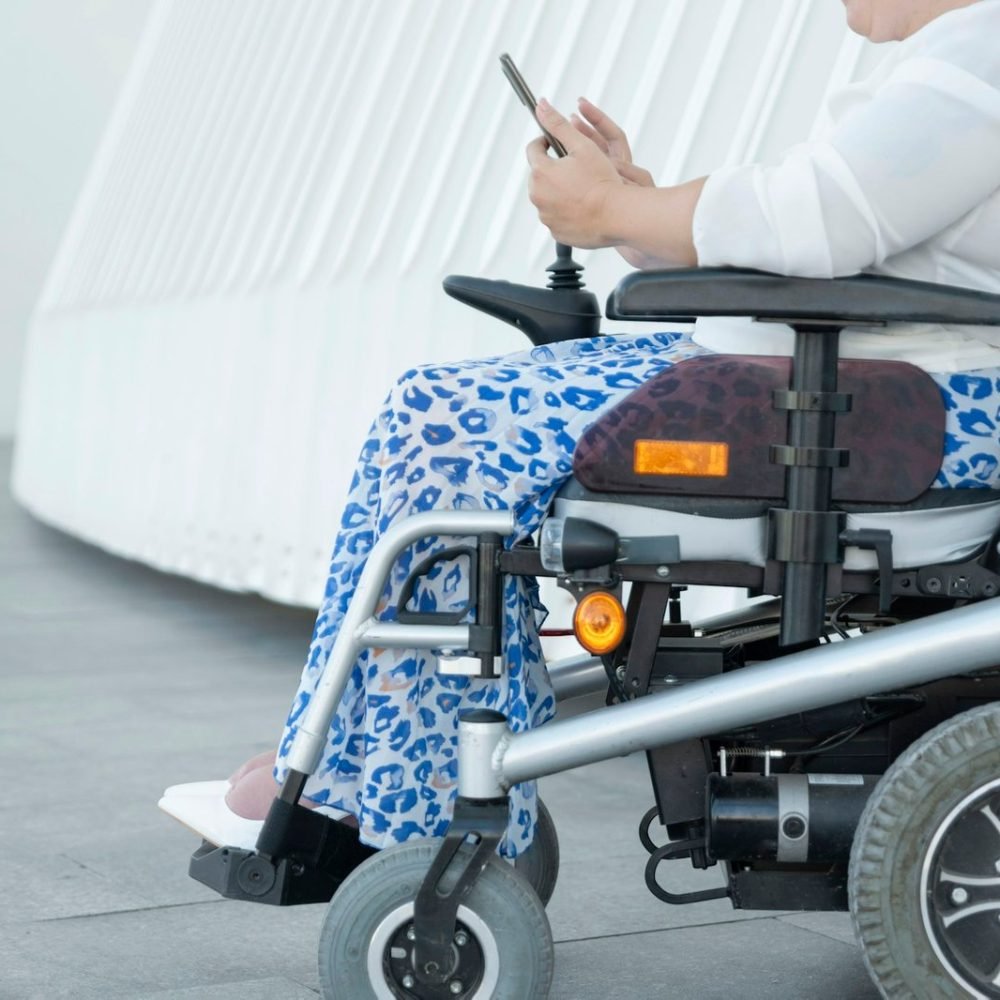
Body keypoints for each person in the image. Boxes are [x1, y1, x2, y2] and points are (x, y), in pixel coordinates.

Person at [161, 0, 1000, 858]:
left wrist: (610, 211)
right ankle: (356, 763)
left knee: (442, 427)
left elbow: (816, 218)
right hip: (851, 393)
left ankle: (402, 801)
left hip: (887, 417)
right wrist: (636, 205)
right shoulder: (954, 60)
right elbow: (816, 233)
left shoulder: (983, 51)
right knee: (428, 410)